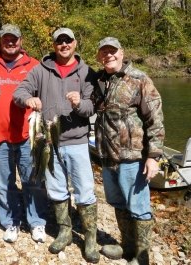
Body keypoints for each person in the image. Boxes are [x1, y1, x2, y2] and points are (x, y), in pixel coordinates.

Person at [13, 28, 99, 263]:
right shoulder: (40, 70)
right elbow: (19, 91)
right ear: (54, 45)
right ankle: (64, 231)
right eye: (59, 41)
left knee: (85, 191)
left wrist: (79, 103)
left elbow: (92, 107)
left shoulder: (87, 72)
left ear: (75, 43)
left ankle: (90, 238)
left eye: (67, 40)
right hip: (49, 142)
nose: (64, 45)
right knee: (57, 189)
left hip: (78, 142)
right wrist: (27, 99)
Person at [93, 37, 165, 265]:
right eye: (104, 52)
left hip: (132, 158)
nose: (108, 56)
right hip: (106, 157)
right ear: (99, 56)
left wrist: (153, 157)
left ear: (121, 53)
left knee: (139, 208)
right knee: (117, 203)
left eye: (112, 51)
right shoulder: (99, 80)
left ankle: (142, 257)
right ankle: (127, 247)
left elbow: (155, 119)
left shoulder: (139, 79)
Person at [0, 24, 47, 243]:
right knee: (3, 182)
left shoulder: (34, 65)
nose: (10, 42)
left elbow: (52, 84)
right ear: (0, 41)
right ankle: (11, 222)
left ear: (21, 40)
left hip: (27, 135)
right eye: (6, 38)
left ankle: (37, 222)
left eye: (14, 38)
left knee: (33, 180)